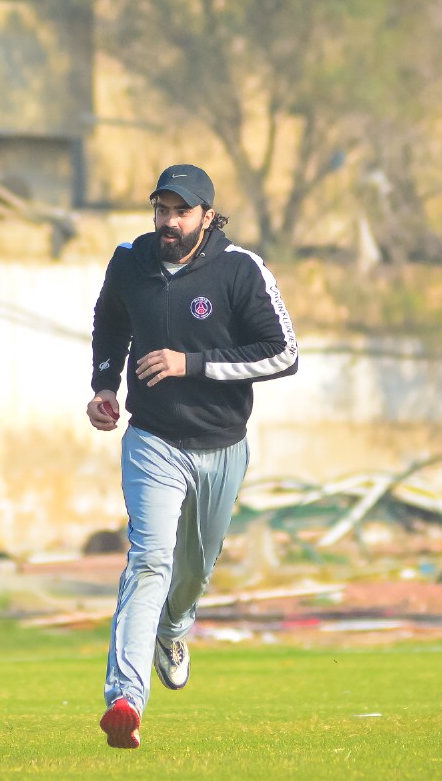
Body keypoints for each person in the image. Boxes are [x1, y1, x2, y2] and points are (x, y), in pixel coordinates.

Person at [87, 164, 298, 748]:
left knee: (194, 571)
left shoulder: (241, 269)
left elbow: (284, 353)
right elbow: (110, 322)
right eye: (162, 209)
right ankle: (126, 700)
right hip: (152, 440)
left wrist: (193, 364)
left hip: (222, 444)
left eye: (182, 211)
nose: (169, 221)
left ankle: (173, 629)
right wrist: (104, 384)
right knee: (148, 561)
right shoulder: (129, 261)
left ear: (207, 216)